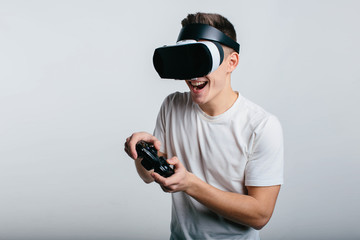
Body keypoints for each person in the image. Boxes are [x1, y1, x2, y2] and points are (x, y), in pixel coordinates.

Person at [124, 12, 284, 240]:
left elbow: (260, 215)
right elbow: (149, 176)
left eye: (202, 58)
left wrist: (190, 184)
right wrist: (141, 151)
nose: (193, 74)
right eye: (188, 59)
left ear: (232, 62)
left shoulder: (262, 126)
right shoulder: (172, 106)